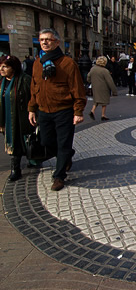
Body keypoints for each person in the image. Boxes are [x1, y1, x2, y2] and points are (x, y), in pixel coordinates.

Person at [28, 28, 86, 191]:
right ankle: (66, 155)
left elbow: (77, 89)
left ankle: (59, 176)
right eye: (42, 40)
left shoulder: (67, 63)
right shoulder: (37, 63)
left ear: (57, 42)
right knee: (45, 142)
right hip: (44, 111)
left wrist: (78, 111)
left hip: (64, 111)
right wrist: (32, 108)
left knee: (63, 143)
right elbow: (34, 87)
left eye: (49, 39)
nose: (45, 42)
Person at [0, 55, 34, 181]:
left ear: (13, 68)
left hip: (21, 117)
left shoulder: (24, 80)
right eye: (1, 66)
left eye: (5, 66)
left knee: (22, 142)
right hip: (7, 118)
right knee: (13, 142)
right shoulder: (1, 81)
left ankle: (20, 167)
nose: (2, 69)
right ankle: (19, 166)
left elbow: (33, 98)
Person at [87, 56, 117, 121]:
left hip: (95, 87)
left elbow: (88, 77)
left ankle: (92, 111)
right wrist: (114, 91)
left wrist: (91, 81)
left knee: (96, 100)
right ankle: (103, 115)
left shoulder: (93, 69)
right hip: (103, 88)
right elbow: (110, 81)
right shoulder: (105, 71)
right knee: (104, 101)